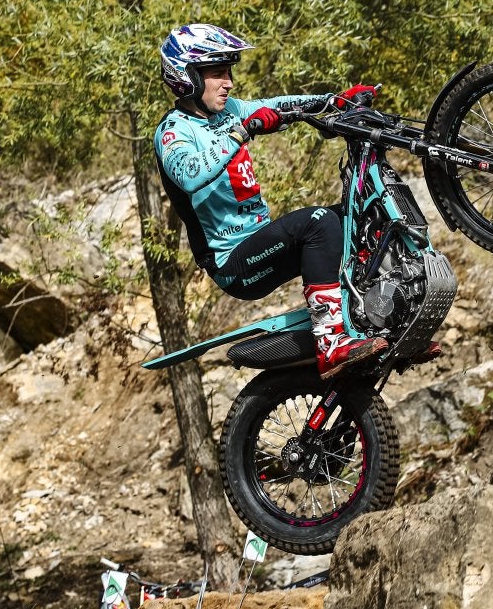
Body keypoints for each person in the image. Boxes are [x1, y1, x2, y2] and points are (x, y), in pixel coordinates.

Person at [153, 23, 386, 379]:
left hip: (262, 242)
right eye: (217, 73)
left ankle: (376, 317)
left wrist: (333, 101)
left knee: (362, 216)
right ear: (187, 77)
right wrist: (243, 131)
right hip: (233, 262)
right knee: (319, 221)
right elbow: (189, 175)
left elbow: (278, 106)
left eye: (228, 72)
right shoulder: (173, 132)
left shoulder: (230, 109)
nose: (228, 82)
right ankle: (331, 343)